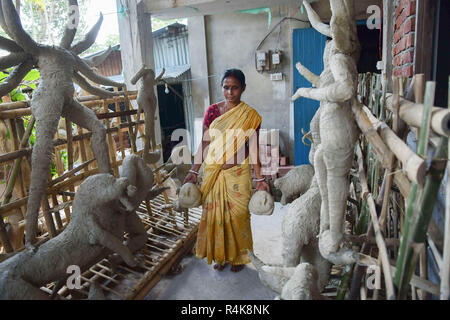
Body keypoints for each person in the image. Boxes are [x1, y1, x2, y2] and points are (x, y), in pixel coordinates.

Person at [184, 69, 270, 272]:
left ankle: (238, 258)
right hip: (213, 171)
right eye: (226, 87)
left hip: (238, 173)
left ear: (243, 88)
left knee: (238, 215)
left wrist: (260, 178)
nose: (230, 92)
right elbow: (204, 143)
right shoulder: (213, 112)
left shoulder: (250, 116)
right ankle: (220, 256)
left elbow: (254, 148)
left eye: (234, 88)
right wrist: (194, 171)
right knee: (215, 216)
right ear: (221, 88)